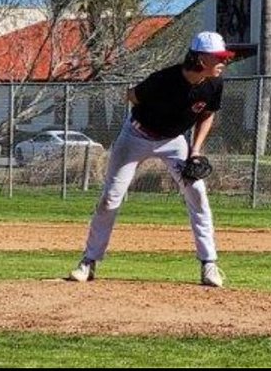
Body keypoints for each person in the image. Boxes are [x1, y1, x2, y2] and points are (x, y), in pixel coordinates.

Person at [68, 31, 234, 287]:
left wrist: (196, 149)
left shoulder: (215, 83)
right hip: (135, 136)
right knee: (110, 198)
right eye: (219, 57)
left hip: (174, 142)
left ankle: (209, 264)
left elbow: (207, 114)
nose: (225, 61)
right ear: (200, 58)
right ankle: (89, 261)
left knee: (197, 194)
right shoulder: (164, 80)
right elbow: (131, 96)